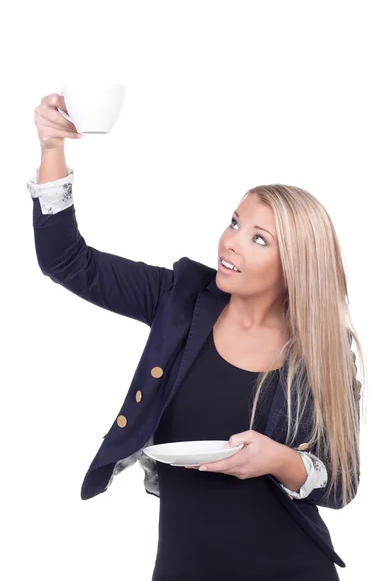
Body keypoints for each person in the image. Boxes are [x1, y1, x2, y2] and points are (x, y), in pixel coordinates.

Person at [26, 93, 364, 580]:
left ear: (295, 267)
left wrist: (280, 460)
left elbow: (341, 484)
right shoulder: (178, 299)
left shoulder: (322, 352)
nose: (230, 240)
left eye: (259, 238)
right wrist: (52, 145)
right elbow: (67, 262)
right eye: (234, 222)